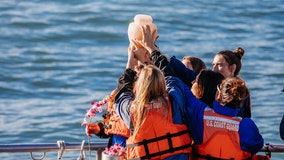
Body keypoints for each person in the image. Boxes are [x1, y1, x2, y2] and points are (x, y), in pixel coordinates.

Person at [134, 24, 263, 159]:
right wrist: (155, 50)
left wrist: (153, 51)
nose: (215, 69)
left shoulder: (200, 113)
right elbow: (256, 144)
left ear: (218, 95)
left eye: (219, 65)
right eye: (213, 65)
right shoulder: (246, 125)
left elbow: (173, 79)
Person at [114, 44, 192, 160]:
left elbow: (122, 93)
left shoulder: (132, 110)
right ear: (162, 83)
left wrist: (131, 62)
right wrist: (152, 50)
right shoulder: (173, 102)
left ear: (139, 85)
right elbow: (171, 77)